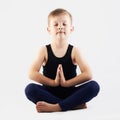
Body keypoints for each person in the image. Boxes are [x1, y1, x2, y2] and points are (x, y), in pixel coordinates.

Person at [25, 8, 100, 112]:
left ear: (71, 29)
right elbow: (31, 73)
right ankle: (71, 105)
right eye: (56, 24)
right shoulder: (44, 50)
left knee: (94, 86)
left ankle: (56, 107)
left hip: (70, 92)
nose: (60, 26)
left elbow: (88, 74)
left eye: (64, 24)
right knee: (30, 89)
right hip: (48, 92)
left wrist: (66, 83)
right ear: (49, 30)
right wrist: (53, 83)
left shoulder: (74, 51)